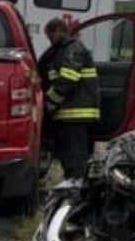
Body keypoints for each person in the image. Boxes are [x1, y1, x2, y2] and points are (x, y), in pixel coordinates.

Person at [39, 17, 101, 179]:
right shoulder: (63, 50)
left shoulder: (73, 49)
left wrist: (51, 101)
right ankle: (73, 184)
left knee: (75, 157)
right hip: (70, 114)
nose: (50, 41)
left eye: (50, 36)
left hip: (75, 114)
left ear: (58, 30)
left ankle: (76, 189)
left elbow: (67, 79)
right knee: (70, 155)